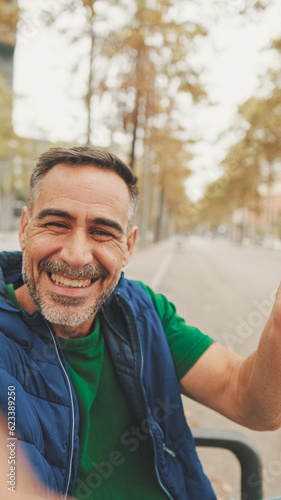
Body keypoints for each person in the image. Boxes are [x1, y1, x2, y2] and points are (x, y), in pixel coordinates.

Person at [0, 146, 281, 500]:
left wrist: (278, 324)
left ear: (128, 246)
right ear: (25, 229)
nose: (75, 255)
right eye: (57, 224)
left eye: (102, 232)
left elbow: (251, 402)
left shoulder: (143, 310)